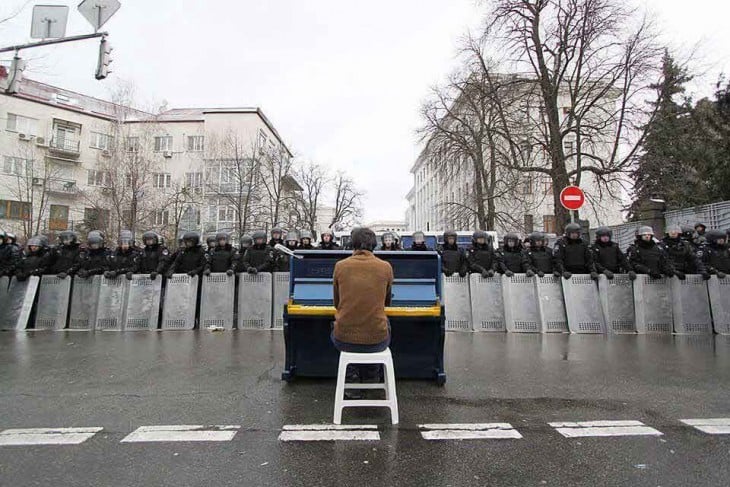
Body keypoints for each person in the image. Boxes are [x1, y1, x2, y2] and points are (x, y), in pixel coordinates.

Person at [332, 227, 393, 389]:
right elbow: (387, 302)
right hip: (377, 340)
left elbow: (337, 304)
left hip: (344, 340)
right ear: (374, 244)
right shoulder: (385, 267)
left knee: (336, 328)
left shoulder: (340, 266)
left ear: (353, 244)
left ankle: (351, 377)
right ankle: (372, 376)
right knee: (384, 326)